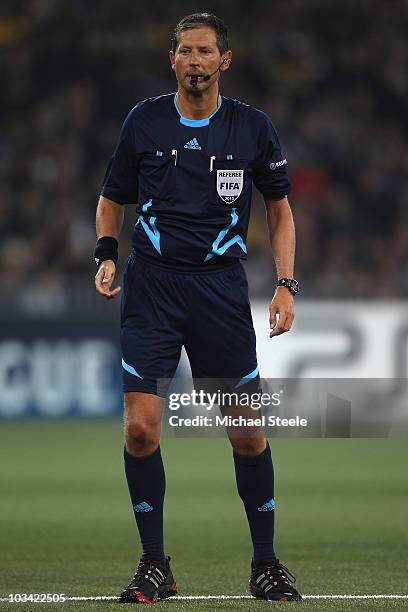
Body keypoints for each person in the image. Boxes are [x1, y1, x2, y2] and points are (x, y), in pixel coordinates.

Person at [94, 12, 301, 604]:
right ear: (173, 60)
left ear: (223, 60)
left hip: (219, 290)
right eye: (184, 51)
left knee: (246, 432)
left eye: (204, 51)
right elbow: (112, 197)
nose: (194, 60)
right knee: (139, 428)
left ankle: (265, 563)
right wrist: (106, 252)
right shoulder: (144, 120)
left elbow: (280, 211)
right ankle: (154, 564)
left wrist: (287, 284)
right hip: (152, 288)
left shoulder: (253, 128)